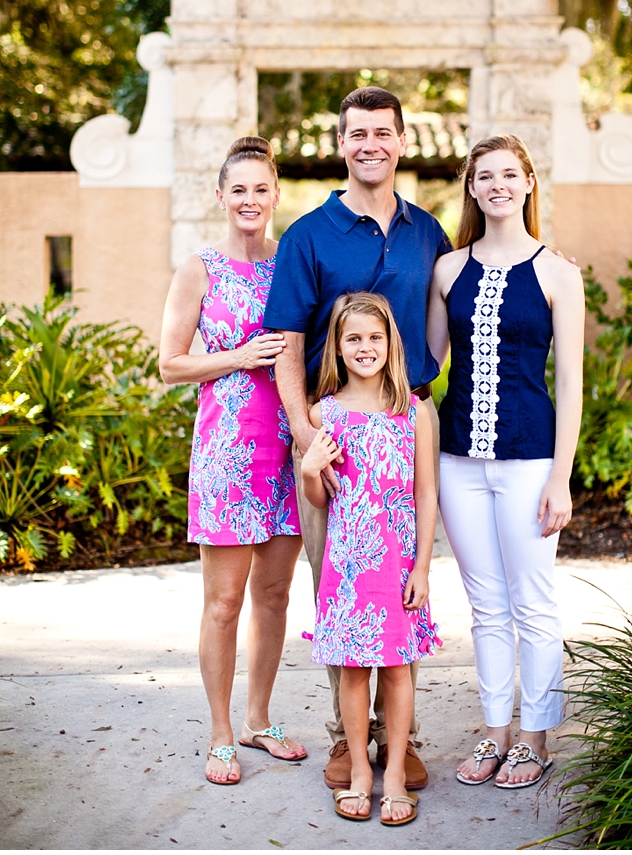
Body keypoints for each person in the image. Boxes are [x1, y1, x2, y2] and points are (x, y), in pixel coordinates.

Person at [262, 86, 452, 792]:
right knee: (340, 587)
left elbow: (449, 305)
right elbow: (286, 340)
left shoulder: (427, 231)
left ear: (403, 141)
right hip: (331, 440)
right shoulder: (308, 234)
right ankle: (350, 736)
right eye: (357, 133)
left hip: (402, 432)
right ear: (340, 144)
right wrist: (306, 428)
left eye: (383, 132)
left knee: (401, 590)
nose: (370, 143)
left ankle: (399, 739)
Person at [427, 135, 584, 789]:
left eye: (507, 174)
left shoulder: (558, 272)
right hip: (458, 462)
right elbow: (425, 366)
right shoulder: (446, 270)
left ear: (527, 182)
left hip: (529, 460)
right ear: (470, 186)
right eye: (483, 175)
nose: (496, 184)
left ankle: (535, 737)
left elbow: (571, 380)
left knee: (534, 603)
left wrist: (561, 476)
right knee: (485, 604)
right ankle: (495, 733)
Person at [159, 137, 306, 786]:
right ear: (221, 197)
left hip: (287, 454)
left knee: (273, 595)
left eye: (260, 188)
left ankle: (258, 717)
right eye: (238, 189)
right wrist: (240, 357)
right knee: (223, 603)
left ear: (276, 195)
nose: (250, 199)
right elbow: (170, 363)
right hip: (225, 459)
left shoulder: (292, 265)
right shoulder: (199, 269)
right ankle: (220, 732)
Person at [300, 292, 439, 825]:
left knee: (399, 670)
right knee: (355, 673)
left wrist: (422, 567)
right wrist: (312, 469)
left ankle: (398, 772)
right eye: (353, 338)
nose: (364, 348)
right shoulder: (325, 412)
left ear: (390, 343)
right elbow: (320, 498)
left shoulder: (413, 410)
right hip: (349, 563)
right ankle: (360, 769)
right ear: (337, 345)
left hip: (400, 560)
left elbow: (425, 494)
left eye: (374, 338)